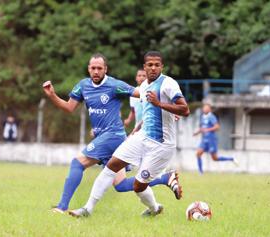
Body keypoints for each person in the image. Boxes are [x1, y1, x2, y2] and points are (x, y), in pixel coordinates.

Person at [42, 53, 182, 214]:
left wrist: (169, 107)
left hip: (113, 136)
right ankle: (164, 179)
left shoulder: (114, 85)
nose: (96, 71)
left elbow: (142, 93)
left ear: (105, 69)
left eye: (99, 68)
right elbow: (69, 107)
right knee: (121, 185)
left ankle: (62, 207)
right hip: (104, 137)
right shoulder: (82, 86)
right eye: (93, 68)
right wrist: (52, 95)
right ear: (88, 69)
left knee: (77, 163)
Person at [193, 103, 237, 174]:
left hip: (211, 140)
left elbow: (217, 127)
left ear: (209, 109)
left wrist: (208, 130)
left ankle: (231, 159)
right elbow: (202, 128)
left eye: (206, 107)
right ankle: (200, 172)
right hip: (204, 140)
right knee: (198, 154)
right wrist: (197, 132)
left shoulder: (212, 117)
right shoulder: (203, 117)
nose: (204, 109)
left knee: (215, 158)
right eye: (204, 107)